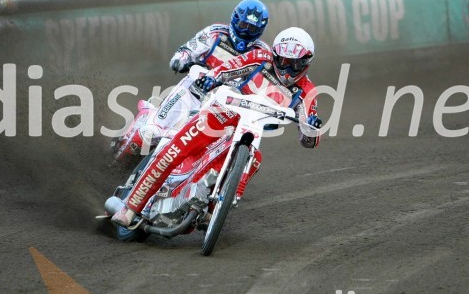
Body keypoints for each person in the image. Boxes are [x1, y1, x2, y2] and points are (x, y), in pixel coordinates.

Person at [110, 26, 323, 228]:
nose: (287, 68)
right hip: (220, 114)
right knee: (174, 149)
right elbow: (229, 68)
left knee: (254, 159)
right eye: (284, 60)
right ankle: (130, 208)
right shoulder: (260, 58)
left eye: (295, 63)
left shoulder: (307, 90)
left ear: (306, 63)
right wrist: (211, 78)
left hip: (248, 131)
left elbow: (309, 139)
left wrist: (311, 128)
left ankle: (213, 207)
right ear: (275, 55)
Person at [114, 0, 272, 160]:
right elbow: (188, 49)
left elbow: (266, 87)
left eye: (252, 28)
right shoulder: (216, 33)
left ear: (260, 29)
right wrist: (180, 60)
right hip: (191, 93)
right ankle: (119, 155)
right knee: (150, 133)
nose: (246, 32)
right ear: (235, 19)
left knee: (211, 153)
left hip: (223, 109)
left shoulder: (262, 54)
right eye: (244, 26)